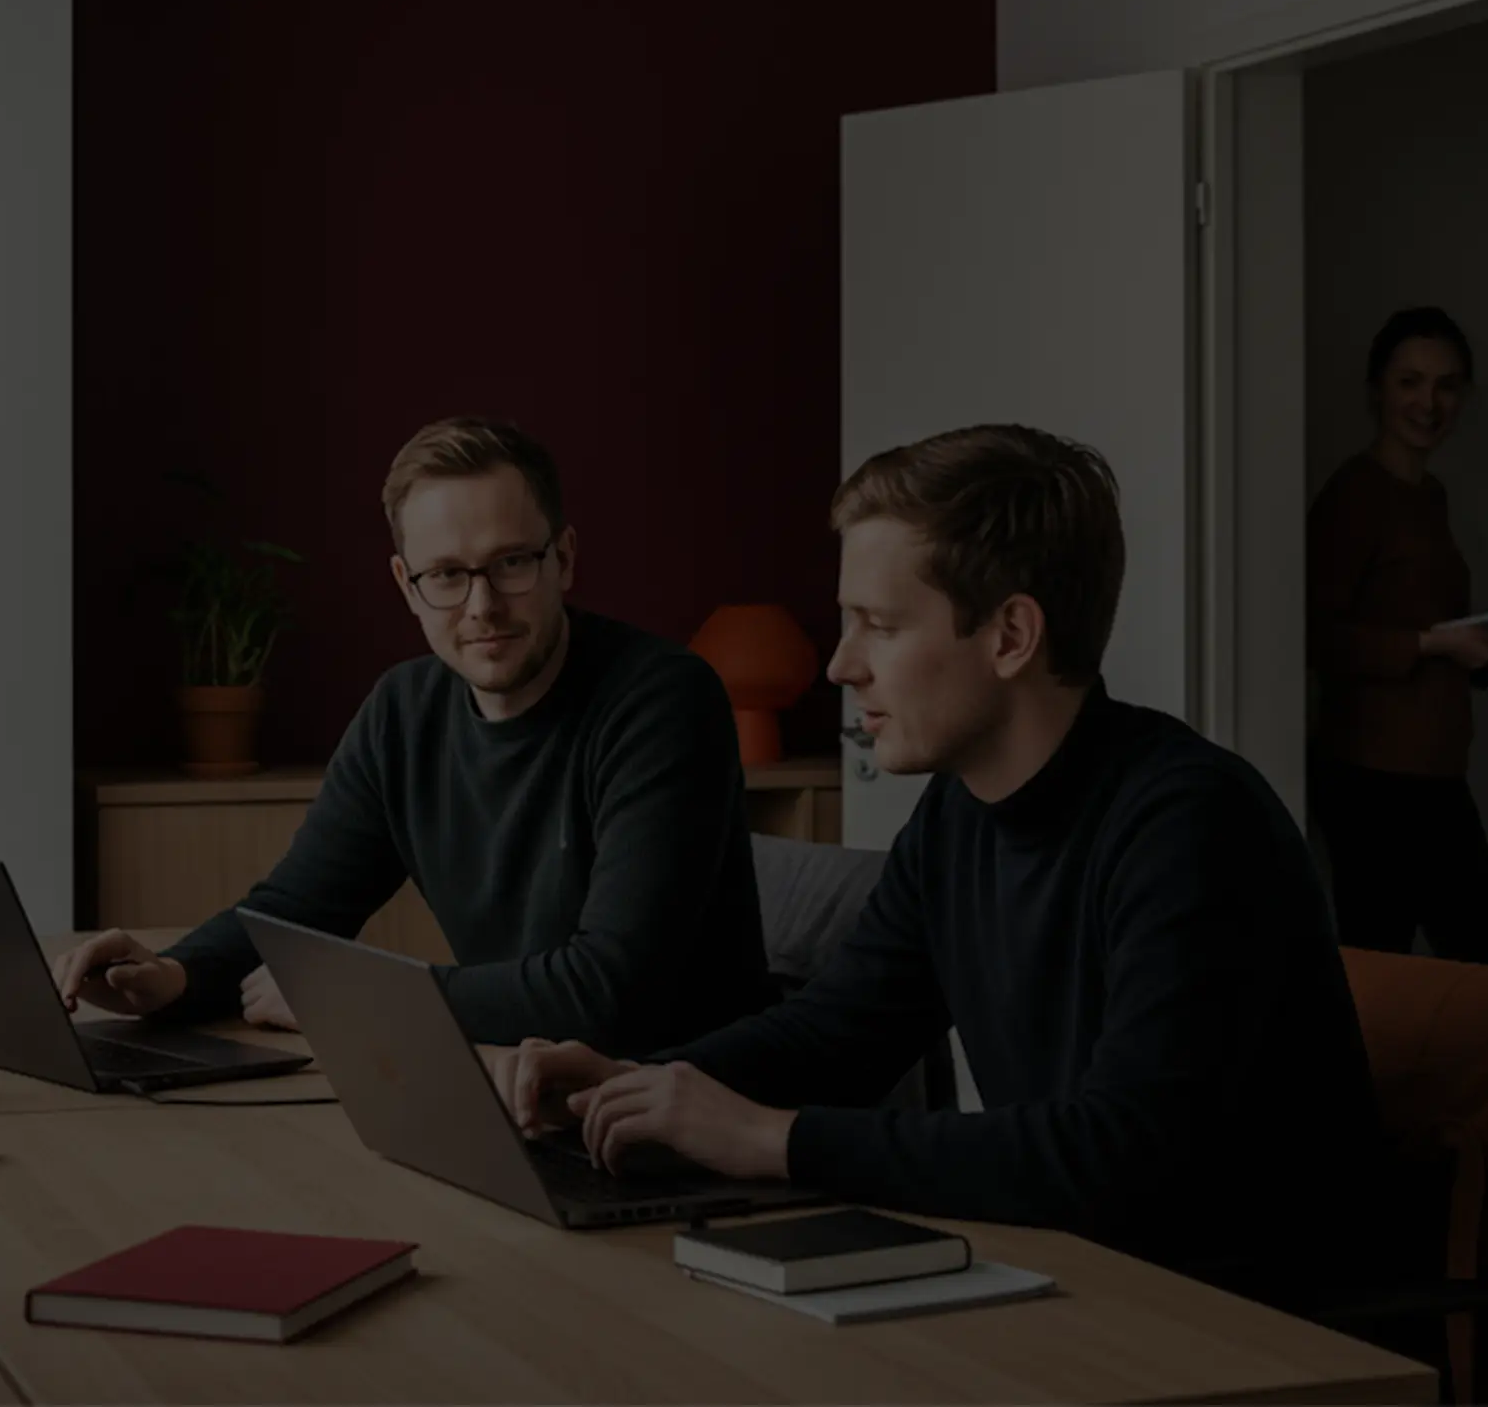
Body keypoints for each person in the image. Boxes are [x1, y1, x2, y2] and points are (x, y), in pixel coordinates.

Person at [490, 424, 1387, 1309]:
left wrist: (775, 1141)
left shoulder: (1192, 824)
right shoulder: (959, 815)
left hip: (1247, 1333)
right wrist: (636, 1082)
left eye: (877, 625)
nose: (842, 665)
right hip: (1080, 1286)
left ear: (1010, 638)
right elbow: (835, 1034)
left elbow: (1123, 1154)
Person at [52, 417, 777, 1057]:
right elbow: (298, 910)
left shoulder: (663, 700)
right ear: (406, 584)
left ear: (564, 558)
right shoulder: (404, 711)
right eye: (447, 575)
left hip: (676, 1111)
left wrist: (359, 1004)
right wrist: (172, 976)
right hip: (514, 1087)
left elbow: (612, 993)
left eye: (512, 563)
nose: (482, 605)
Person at [1305, 306, 1488, 969]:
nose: (1429, 402)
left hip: (1433, 772)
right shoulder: (1355, 494)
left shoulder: (1429, 496)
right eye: (1411, 382)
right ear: (1378, 390)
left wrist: (1487, 648)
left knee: (1478, 976)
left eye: (1448, 385)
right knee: (1388, 977)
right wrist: (1433, 646)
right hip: (1373, 780)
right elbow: (1319, 638)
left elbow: (1421, 623)